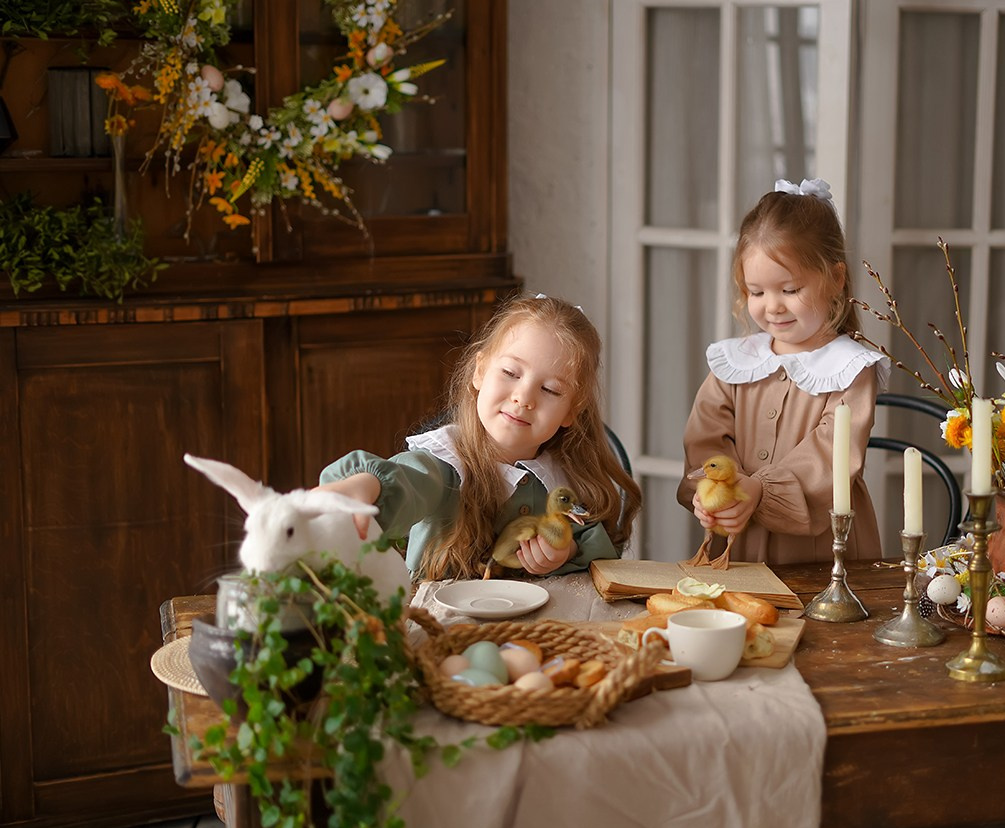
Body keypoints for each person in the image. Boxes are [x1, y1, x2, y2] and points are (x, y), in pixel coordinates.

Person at [319, 294, 642, 581]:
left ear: (572, 411)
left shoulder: (563, 481)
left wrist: (567, 551)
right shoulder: (446, 464)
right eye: (510, 373)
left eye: (550, 390)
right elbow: (407, 481)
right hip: (442, 633)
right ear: (479, 372)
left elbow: (602, 556)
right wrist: (366, 485)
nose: (524, 397)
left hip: (539, 634)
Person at [678, 177, 889, 565]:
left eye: (789, 290)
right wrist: (718, 487)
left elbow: (831, 455)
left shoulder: (851, 368)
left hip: (822, 553)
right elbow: (706, 435)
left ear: (836, 279)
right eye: (756, 292)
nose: (771, 306)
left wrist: (760, 491)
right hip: (740, 543)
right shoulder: (735, 361)